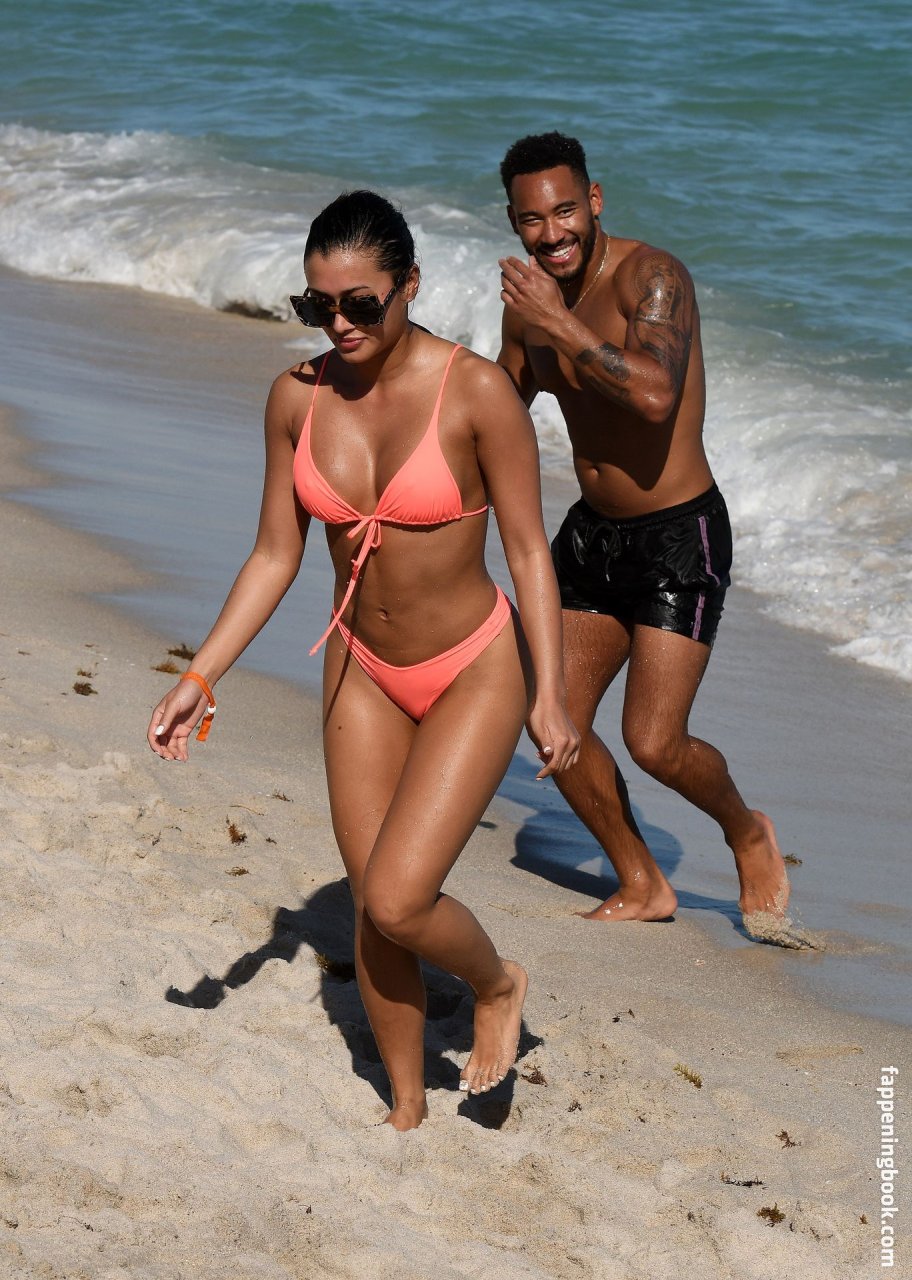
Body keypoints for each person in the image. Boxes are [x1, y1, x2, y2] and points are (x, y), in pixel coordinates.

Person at [147, 190, 579, 1130]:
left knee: (395, 894)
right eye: (318, 305)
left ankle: (497, 984)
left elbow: (529, 552)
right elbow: (275, 554)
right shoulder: (294, 398)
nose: (338, 323)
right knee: (372, 910)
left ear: (409, 284)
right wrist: (199, 676)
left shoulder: (476, 392)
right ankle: (406, 1111)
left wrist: (551, 694)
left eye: (360, 303)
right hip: (360, 666)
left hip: (474, 665)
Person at [496, 131, 792, 942]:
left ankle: (746, 831)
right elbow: (497, 414)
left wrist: (556, 322)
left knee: (655, 742)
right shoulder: (527, 310)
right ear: (514, 223)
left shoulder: (653, 278)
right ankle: (642, 879)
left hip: (677, 537)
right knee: (550, 718)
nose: (551, 233)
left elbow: (655, 396)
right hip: (591, 537)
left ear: (594, 201)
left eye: (565, 210)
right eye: (531, 219)